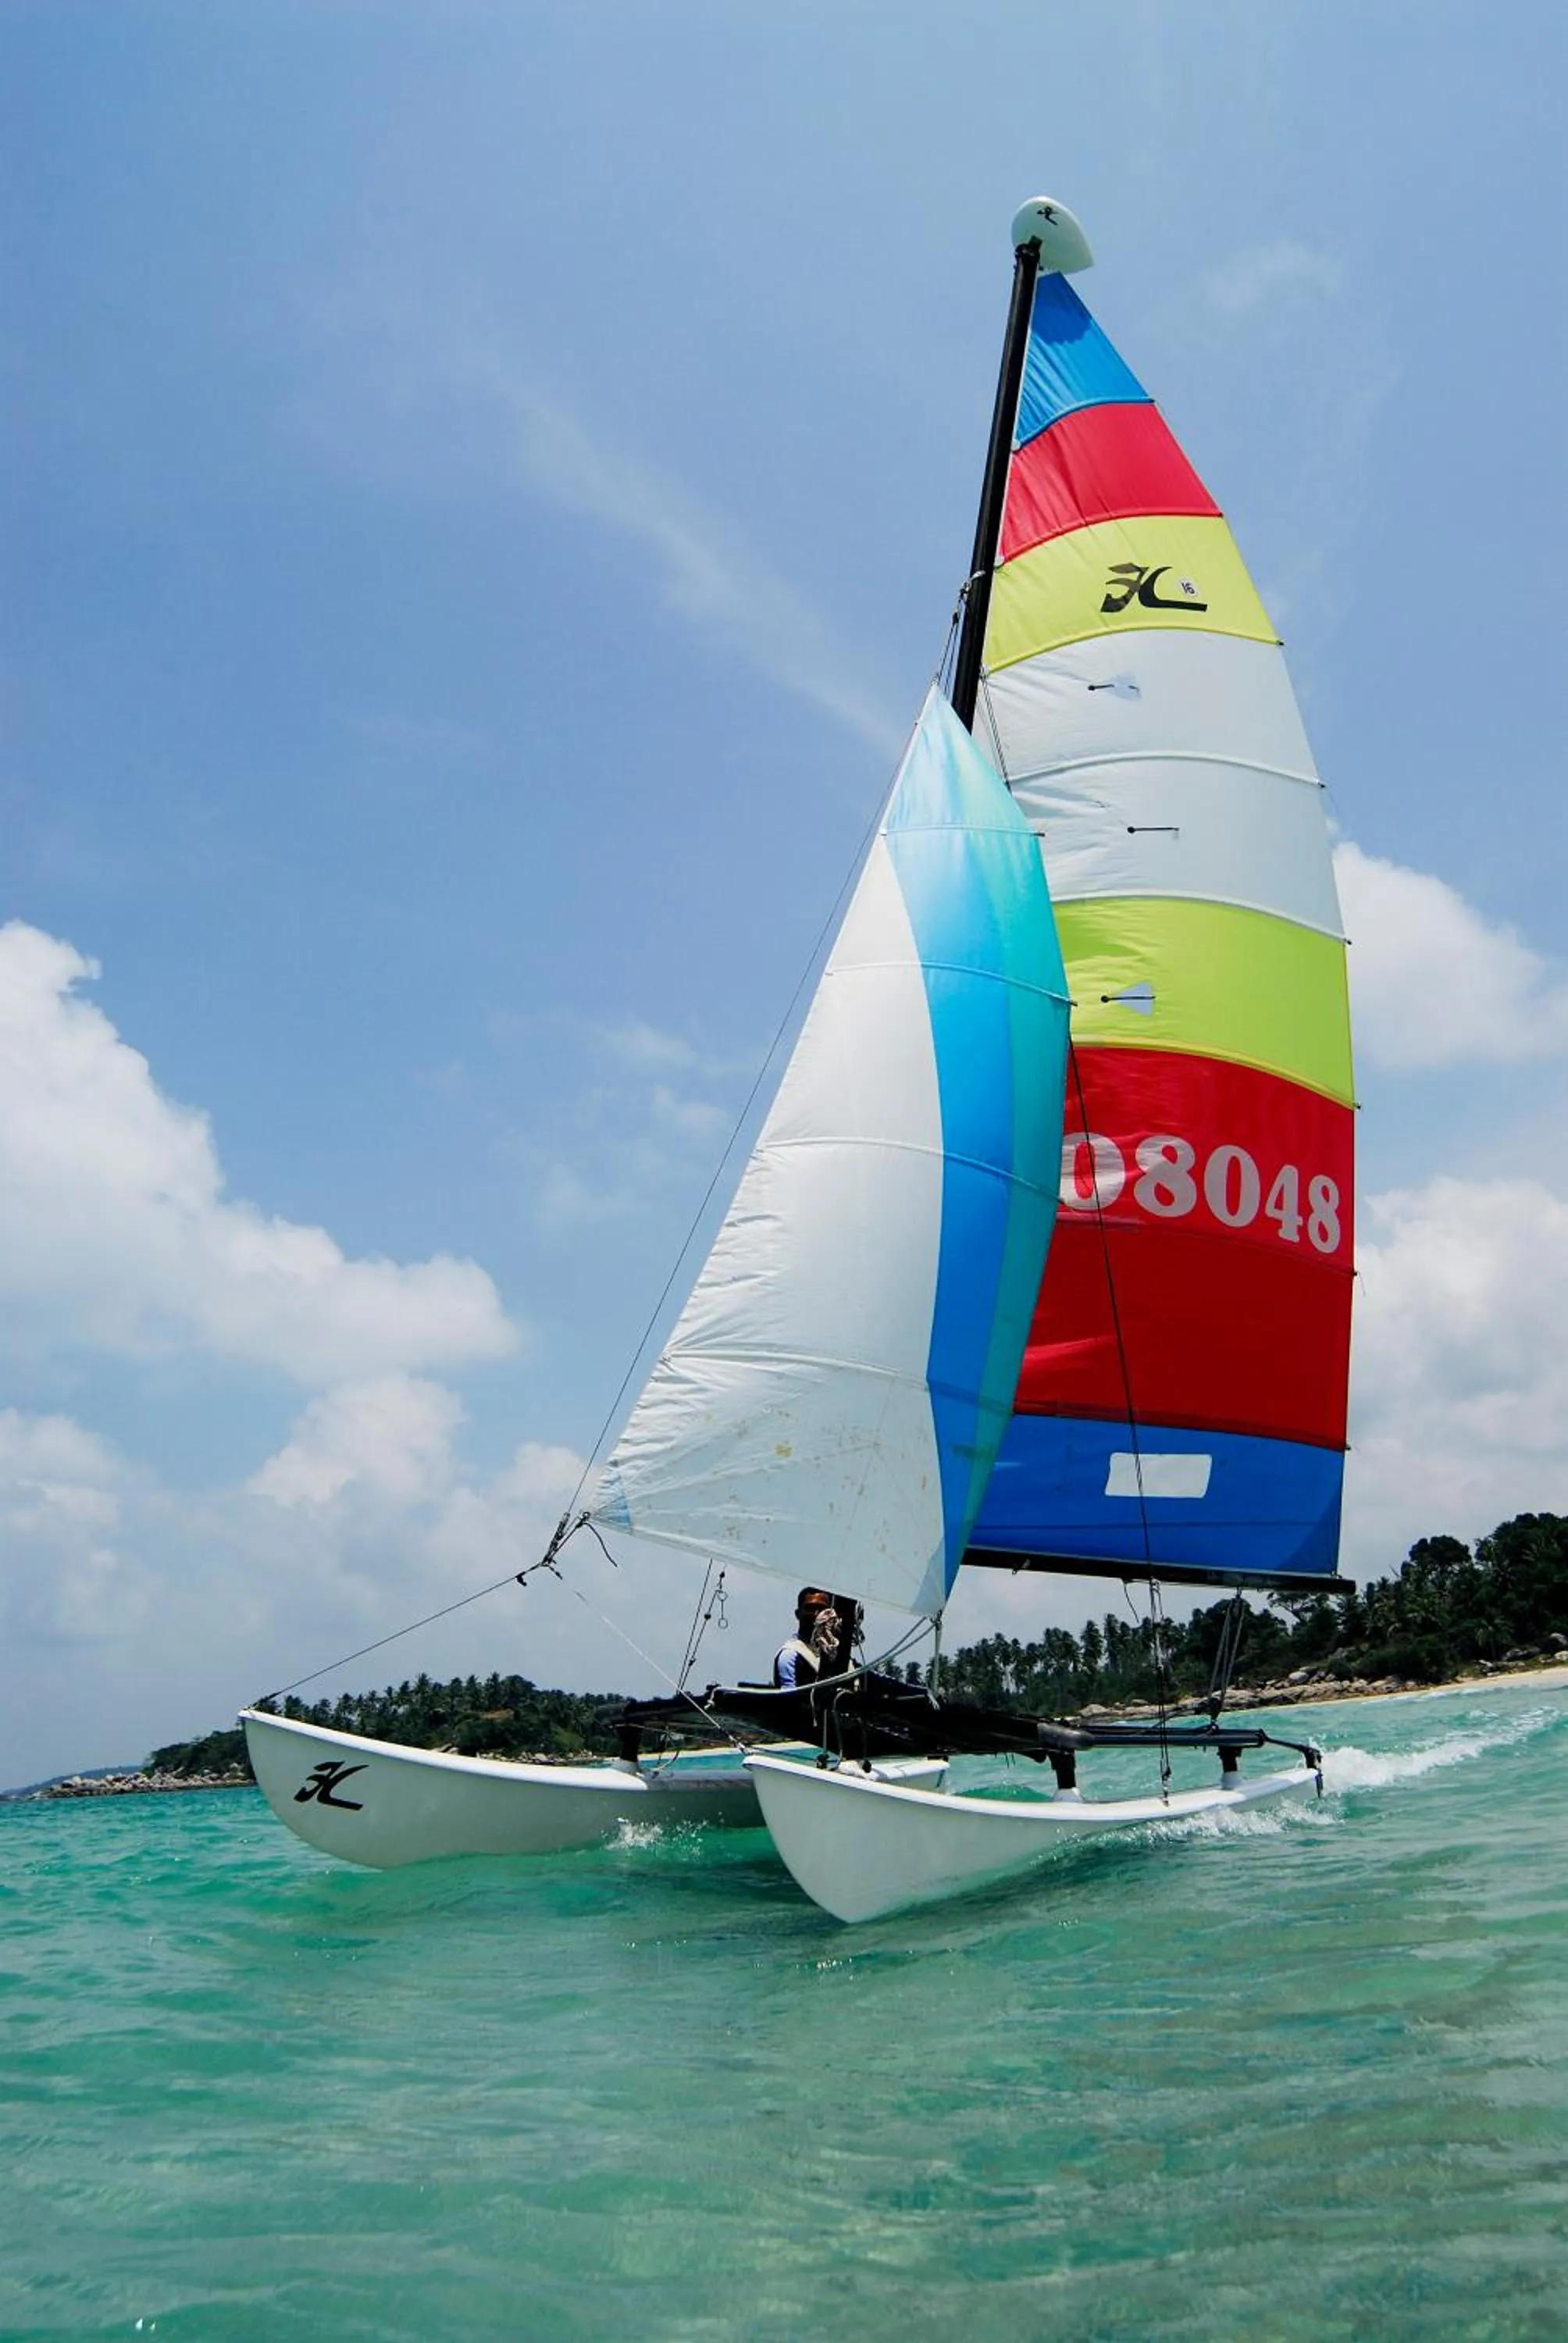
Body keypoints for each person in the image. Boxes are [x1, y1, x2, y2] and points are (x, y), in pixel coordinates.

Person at [773, 1588, 839, 1689]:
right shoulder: (791, 1655)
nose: (816, 1614)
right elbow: (787, 1695)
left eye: (822, 1609)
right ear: (798, 1614)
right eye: (810, 1609)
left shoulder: (838, 1654)